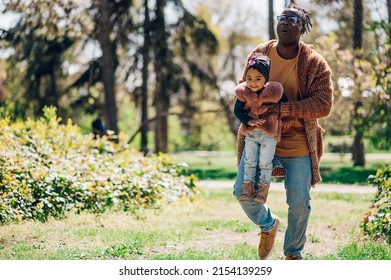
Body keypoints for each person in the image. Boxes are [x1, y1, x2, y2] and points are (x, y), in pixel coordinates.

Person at [233, 2, 333, 260]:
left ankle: (293, 253)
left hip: (298, 140)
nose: (285, 22)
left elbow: (324, 103)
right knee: (242, 193)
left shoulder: (314, 63)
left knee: (300, 203)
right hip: (259, 137)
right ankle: (269, 225)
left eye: (293, 20)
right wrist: (249, 114)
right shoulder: (260, 53)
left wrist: (286, 110)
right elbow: (245, 89)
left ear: (302, 29)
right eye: (282, 18)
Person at [234, 53, 286, 204]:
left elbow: (283, 106)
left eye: (258, 79)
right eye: (249, 78)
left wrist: (277, 114)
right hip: (251, 134)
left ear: (266, 79)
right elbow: (237, 111)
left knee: (265, 162)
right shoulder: (243, 92)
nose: (253, 83)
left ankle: (262, 191)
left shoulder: (274, 91)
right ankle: (247, 188)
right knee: (250, 161)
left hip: (268, 134)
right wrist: (248, 120)